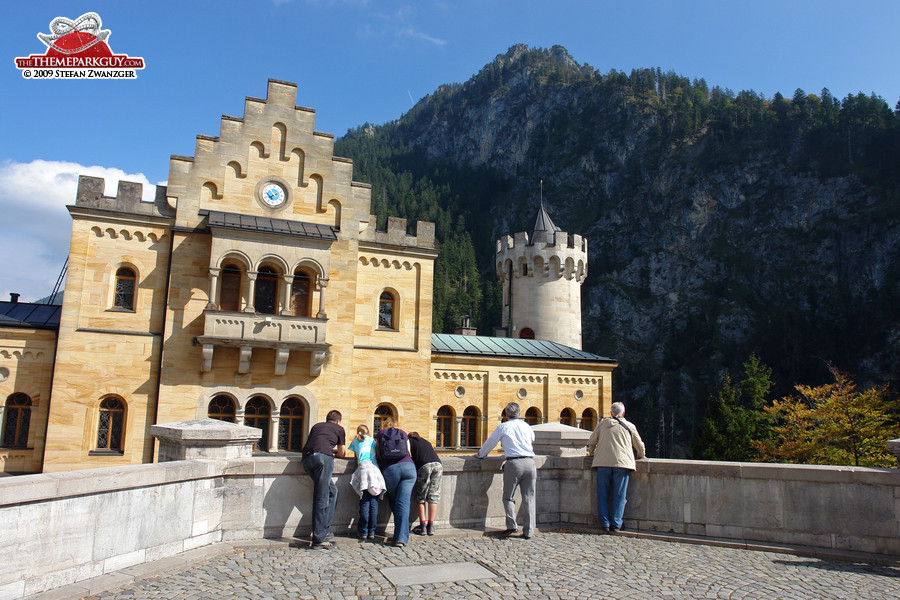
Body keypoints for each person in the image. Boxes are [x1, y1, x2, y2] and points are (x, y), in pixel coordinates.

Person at [475, 402, 536, 539]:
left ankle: (512, 525)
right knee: (529, 498)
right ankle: (529, 530)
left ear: (506, 414)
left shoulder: (504, 426)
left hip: (514, 463)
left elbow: (491, 442)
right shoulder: (526, 426)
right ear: (519, 414)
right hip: (530, 462)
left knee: (508, 496)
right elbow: (532, 439)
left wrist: (480, 455)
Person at [586, 401, 646, 534]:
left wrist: (590, 453)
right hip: (622, 464)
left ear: (611, 413)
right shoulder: (630, 426)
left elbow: (592, 441)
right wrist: (641, 456)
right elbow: (639, 445)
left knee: (602, 494)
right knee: (619, 495)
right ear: (623, 413)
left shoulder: (602, 424)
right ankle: (616, 523)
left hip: (602, 463)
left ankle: (605, 523)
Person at [301, 410, 346, 549]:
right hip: (322, 458)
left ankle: (323, 529)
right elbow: (342, 453)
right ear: (338, 421)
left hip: (307, 459)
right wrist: (332, 451)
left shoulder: (316, 426)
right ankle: (318, 539)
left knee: (332, 491)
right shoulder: (339, 429)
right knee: (322, 497)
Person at [375, 416, 416, 547]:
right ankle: (401, 538)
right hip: (409, 469)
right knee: (403, 502)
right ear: (395, 424)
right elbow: (409, 452)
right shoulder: (403, 433)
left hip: (390, 470)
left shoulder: (381, 434)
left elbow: (378, 453)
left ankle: (399, 535)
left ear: (384, 425)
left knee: (395, 501)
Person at [348, 424, 385, 541]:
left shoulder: (355, 440)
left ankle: (363, 531)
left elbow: (355, 457)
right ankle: (372, 531)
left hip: (363, 471)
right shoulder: (372, 440)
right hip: (375, 471)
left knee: (364, 502)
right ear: (368, 432)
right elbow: (378, 454)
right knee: (374, 503)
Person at [408, 432, 442, 536]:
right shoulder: (426, 442)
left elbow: (409, 456)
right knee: (433, 495)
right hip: (438, 464)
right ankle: (431, 526)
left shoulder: (409, 441)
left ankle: (422, 525)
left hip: (424, 466)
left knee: (421, 496)